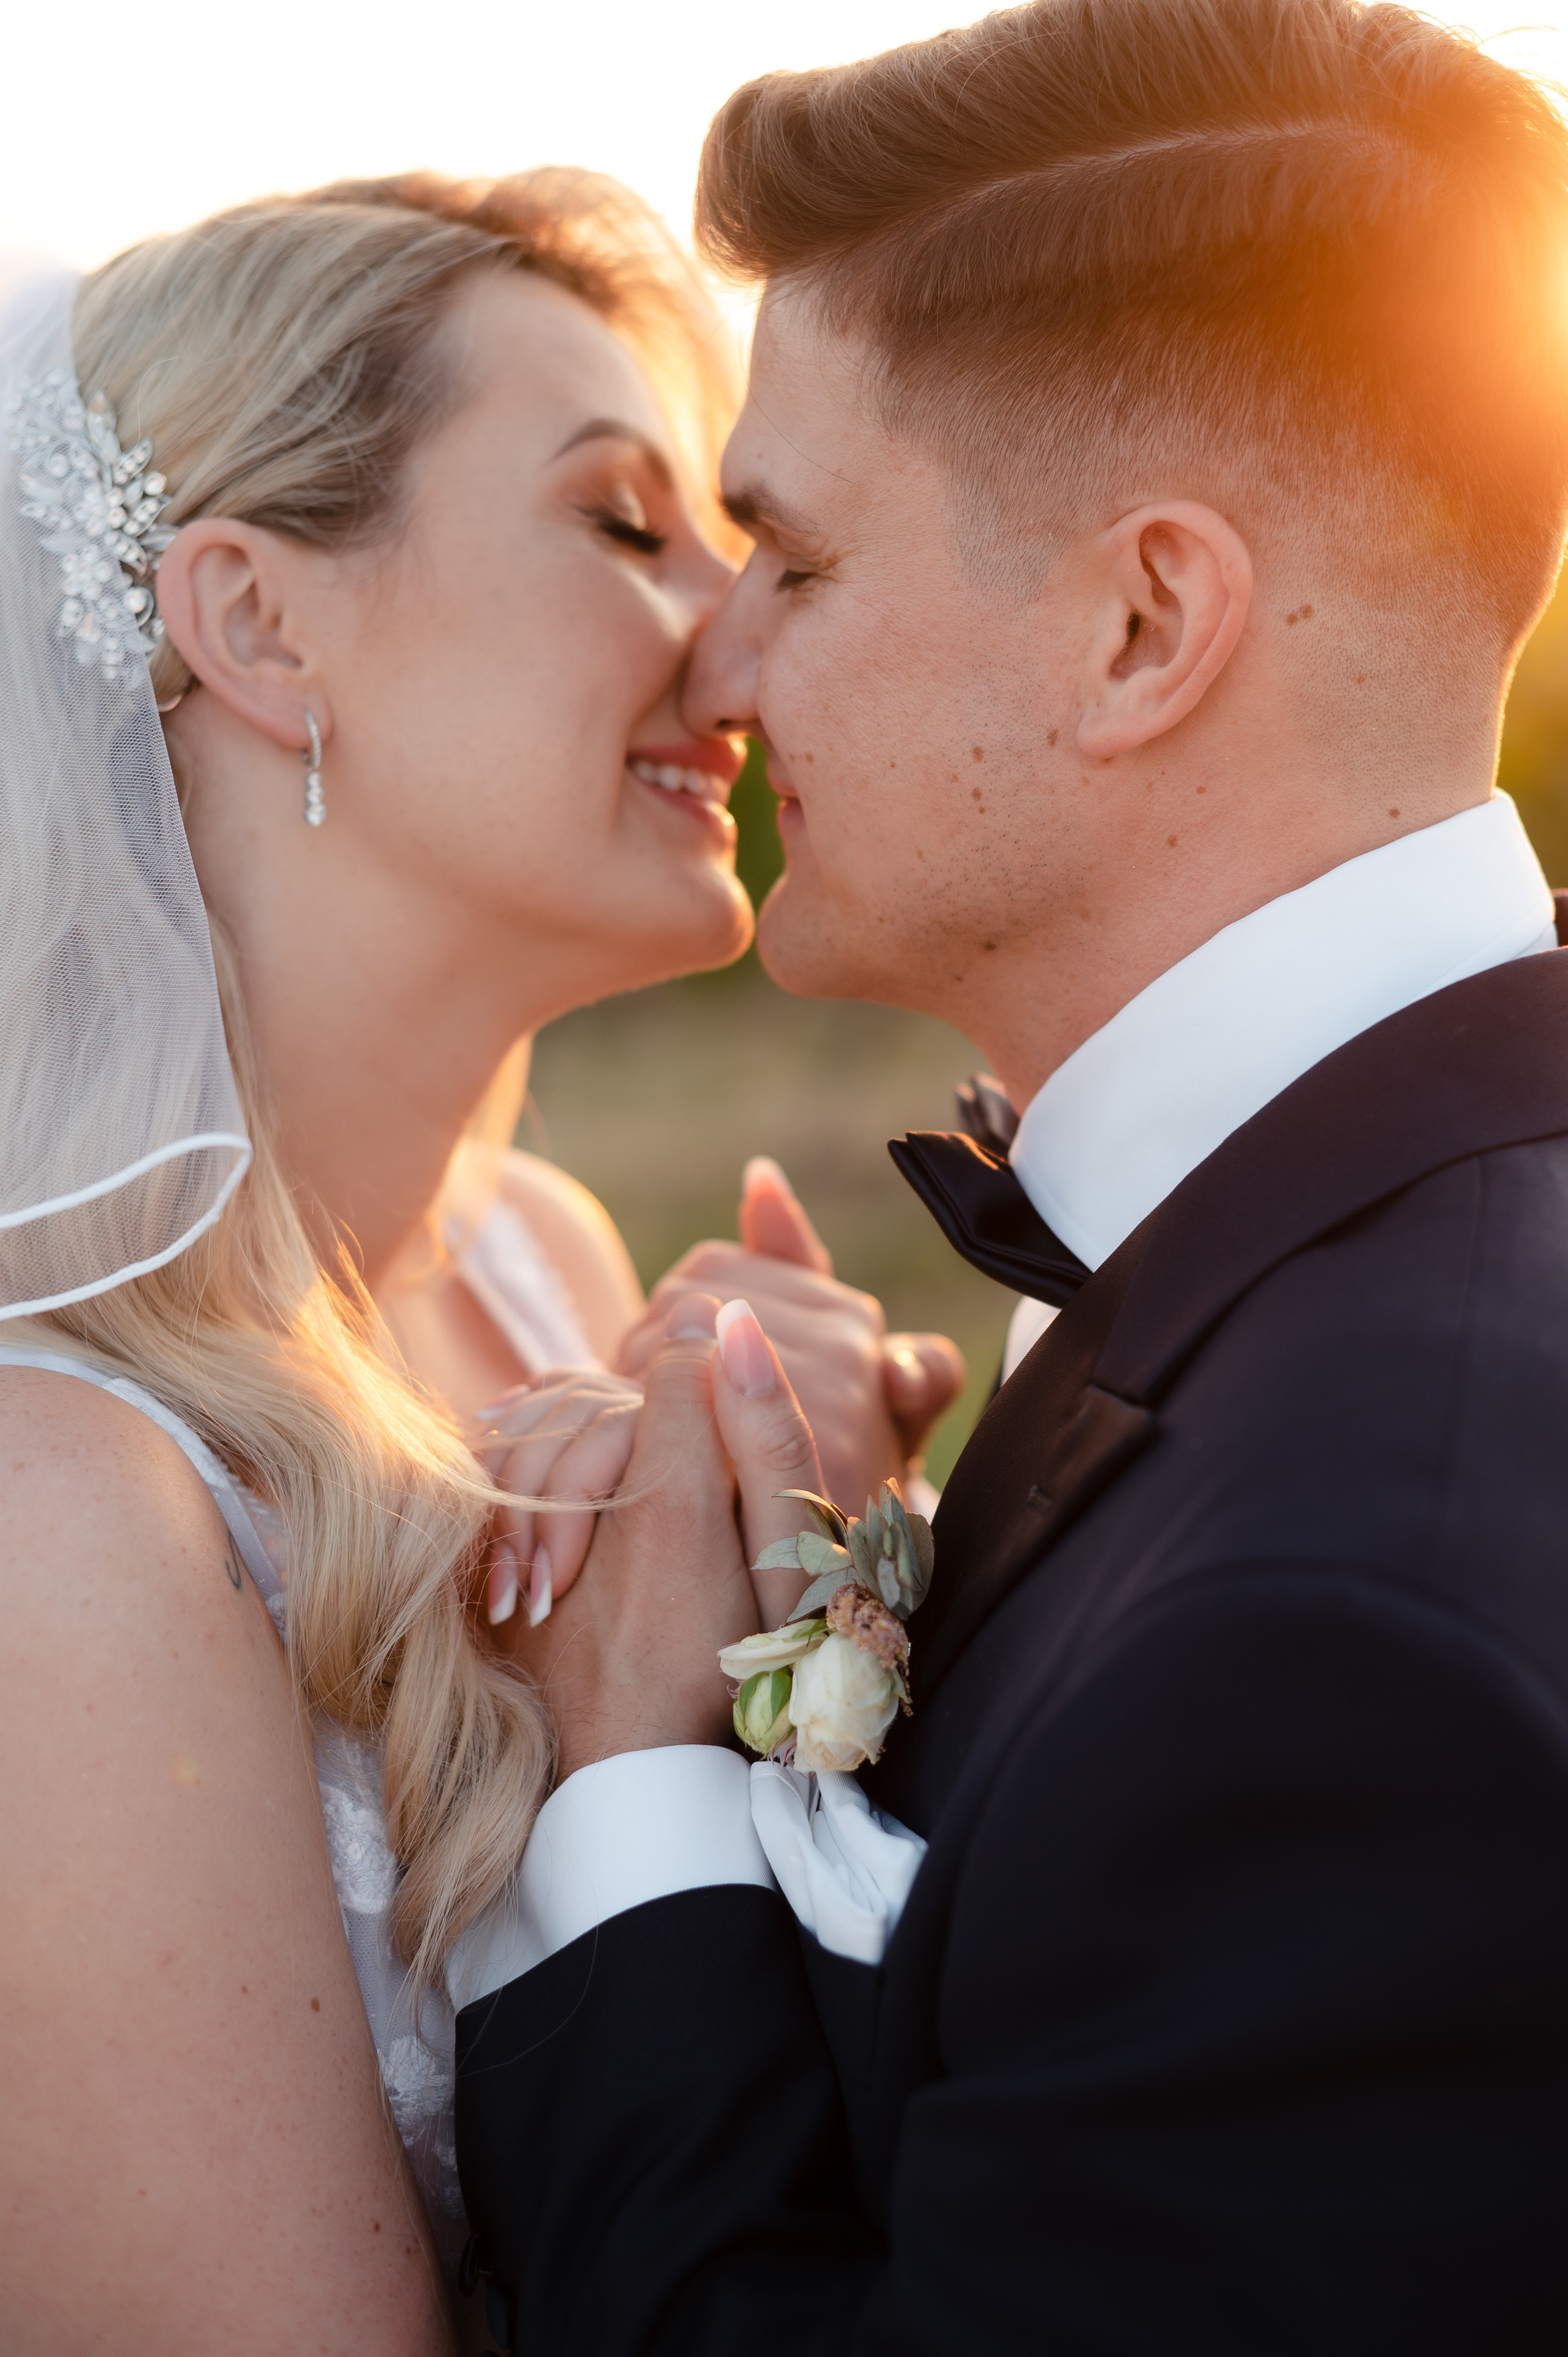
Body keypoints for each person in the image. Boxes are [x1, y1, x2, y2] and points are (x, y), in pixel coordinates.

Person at [450, 1, 1568, 2348]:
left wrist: (634, 1782)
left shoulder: (1341, 1631)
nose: (714, 662)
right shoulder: (1333, 1277)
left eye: (798, 556)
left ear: (1143, 624)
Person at [0, 175, 960, 2354]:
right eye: (628, 525)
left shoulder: (541, 1262)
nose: (739, 631)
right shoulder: (56, 1516)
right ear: (256, 627)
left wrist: (822, 1547)